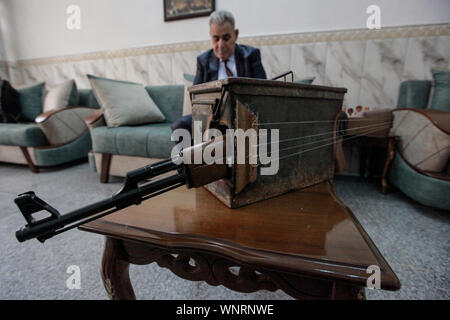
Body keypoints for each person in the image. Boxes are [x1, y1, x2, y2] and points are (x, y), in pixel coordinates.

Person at [171, 10, 267, 136]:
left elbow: (264, 92)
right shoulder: (203, 61)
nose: (220, 45)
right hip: (212, 117)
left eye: (226, 38)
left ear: (235, 34)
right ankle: (190, 156)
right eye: (216, 39)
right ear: (211, 37)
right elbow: (196, 98)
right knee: (180, 126)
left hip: (244, 116)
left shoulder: (251, 56)